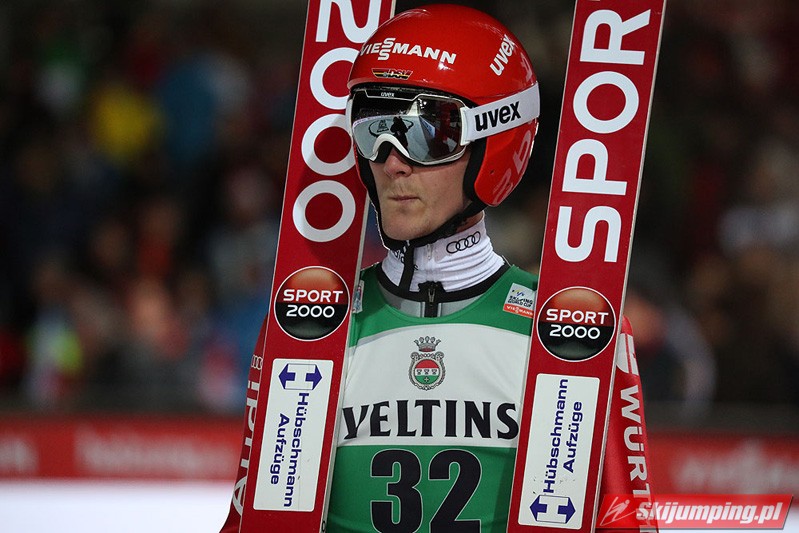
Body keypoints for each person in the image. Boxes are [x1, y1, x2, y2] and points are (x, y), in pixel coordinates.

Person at [221, 5, 655, 532]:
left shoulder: (574, 331)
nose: (392, 162)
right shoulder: (309, 326)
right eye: (373, 130)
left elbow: (625, 521)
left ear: (494, 142)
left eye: (427, 134)